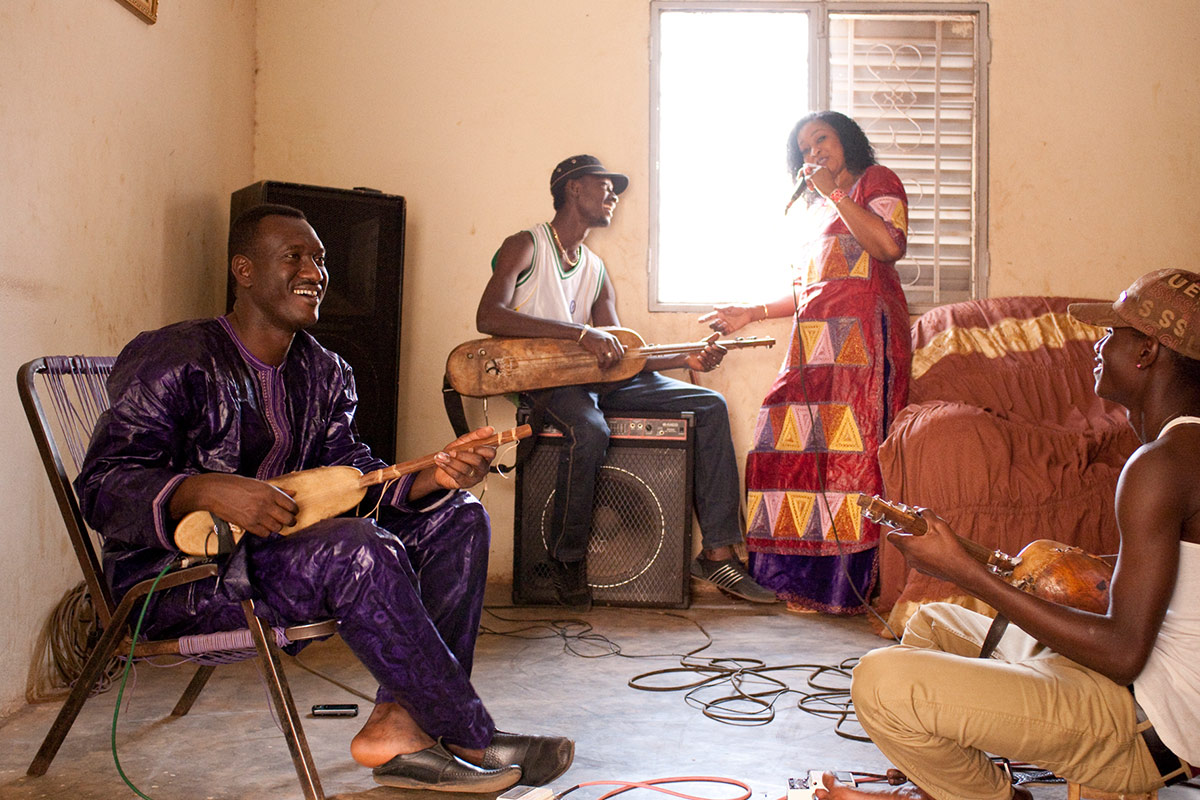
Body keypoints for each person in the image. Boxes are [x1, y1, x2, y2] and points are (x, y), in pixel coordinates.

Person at [75, 204, 574, 793]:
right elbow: (104, 486)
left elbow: (356, 480)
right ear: (244, 270)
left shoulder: (326, 371)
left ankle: (397, 725)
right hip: (180, 583)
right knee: (355, 549)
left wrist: (436, 476)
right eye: (294, 257)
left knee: (459, 517)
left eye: (321, 259)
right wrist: (206, 488)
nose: (315, 271)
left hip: (285, 563)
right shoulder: (176, 357)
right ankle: (469, 732)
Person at [815, 268, 1199, 800]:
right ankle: (947, 790)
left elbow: (1122, 651)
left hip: (1142, 724)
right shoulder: (1183, 452)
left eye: (1112, 334)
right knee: (931, 624)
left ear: (1147, 353)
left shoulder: (1159, 466)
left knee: (879, 681)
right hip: (1140, 687)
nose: (1098, 344)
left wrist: (965, 572)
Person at [475, 154, 777, 609]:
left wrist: (686, 356)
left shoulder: (595, 269)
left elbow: (621, 355)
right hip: (546, 382)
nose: (613, 194)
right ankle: (566, 559)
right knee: (589, 430)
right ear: (573, 188)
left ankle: (717, 553)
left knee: (708, 404)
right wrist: (581, 333)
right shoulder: (526, 244)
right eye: (604, 185)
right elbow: (488, 316)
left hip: (596, 380)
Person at [700, 111, 911, 615]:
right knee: (782, 448)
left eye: (823, 140)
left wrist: (835, 192)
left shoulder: (875, 182)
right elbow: (812, 287)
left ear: (847, 143)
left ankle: (847, 590)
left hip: (865, 343)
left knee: (850, 464)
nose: (814, 151)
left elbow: (887, 245)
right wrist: (751, 312)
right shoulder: (814, 211)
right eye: (805, 147)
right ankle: (798, 582)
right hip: (815, 344)